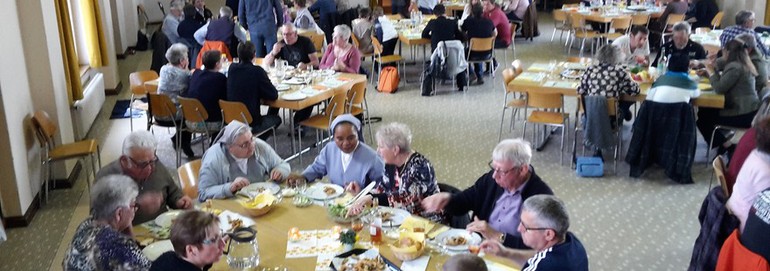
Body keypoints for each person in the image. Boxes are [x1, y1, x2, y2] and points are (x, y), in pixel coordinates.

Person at [421, 138, 554, 249]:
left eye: (502, 171)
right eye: (493, 167)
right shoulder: (492, 180)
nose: (495, 176)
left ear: (522, 170)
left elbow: (541, 247)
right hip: (477, 247)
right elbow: (467, 200)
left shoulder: (542, 199)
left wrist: (498, 236)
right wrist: (448, 199)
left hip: (512, 259)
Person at [348, 123, 443, 222]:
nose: (377, 151)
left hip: (426, 222)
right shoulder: (391, 163)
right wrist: (362, 195)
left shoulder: (420, 166)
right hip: (400, 218)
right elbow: (382, 189)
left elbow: (407, 200)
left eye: (381, 147)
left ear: (395, 150)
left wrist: (371, 198)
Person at [95, 131, 193, 225]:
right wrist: (136, 205)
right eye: (143, 164)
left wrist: (179, 201)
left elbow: (172, 191)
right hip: (126, 235)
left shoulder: (155, 165)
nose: (150, 168)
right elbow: (98, 220)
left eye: (152, 161)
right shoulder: (106, 178)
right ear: (125, 161)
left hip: (162, 228)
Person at [63, 175, 151, 271]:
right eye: (134, 205)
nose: (136, 209)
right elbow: (149, 268)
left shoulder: (85, 225)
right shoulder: (119, 246)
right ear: (119, 213)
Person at [479, 195, 589, 271]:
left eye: (526, 226)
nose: (519, 229)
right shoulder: (572, 242)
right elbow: (539, 257)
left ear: (548, 234)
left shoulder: (545, 266)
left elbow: (540, 263)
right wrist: (506, 253)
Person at [287, 114, 385, 193]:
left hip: (361, 205)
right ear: (333, 138)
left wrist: (362, 193)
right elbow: (317, 168)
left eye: (351, 138)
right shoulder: (330, 149)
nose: (346, 143)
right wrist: (303, 177)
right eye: (340, 139)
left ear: (358, 135)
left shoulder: (372, 158)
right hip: (334, 201)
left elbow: (384, 189)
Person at [697, 39, 760, 156]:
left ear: (728, 52)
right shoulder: (743, 62)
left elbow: (720, 88)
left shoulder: (735, 67)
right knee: (704, 111)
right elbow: (723, 74)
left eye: (724, 51)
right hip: (750, 110)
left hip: (742, 113)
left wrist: (711, 72)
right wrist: (710, 70)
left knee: (703, 120)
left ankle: (728, 146)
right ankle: (722, 143)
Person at [198, 121, 290, 201]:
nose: (252, 146)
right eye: (244, 145)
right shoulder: (213, 159)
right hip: (231, 208)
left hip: (263, 200)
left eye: (251, 139)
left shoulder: (258, 146)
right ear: (230, 147)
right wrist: (229, 188)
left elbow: (282, 164)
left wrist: (280, 171)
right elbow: (203, 193)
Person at [227, 41, 282, 138]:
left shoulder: (232, 69)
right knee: (277, 119)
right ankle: (254, 141)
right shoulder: (257, 71)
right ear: (254, 54)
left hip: (232, 119)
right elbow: (273, 95)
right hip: (251, 122)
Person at [726, 117, 770, 233]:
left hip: (736, 211)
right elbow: (765, 213)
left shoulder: (757, 154)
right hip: (745, 225)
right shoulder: (766, 173)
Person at [577, 44, 640, 121]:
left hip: (590, 115)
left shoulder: (590, 70)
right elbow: (635, 91)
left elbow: (581, 90)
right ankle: (625, 112)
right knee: (628, 100)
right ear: (616, 58)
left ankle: (625, 112)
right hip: (611, 119)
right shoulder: (619, 72)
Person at [150, 210, 225, 271]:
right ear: (191, 250)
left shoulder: (167, 257)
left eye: (220, 236)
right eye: (214, 240)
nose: (223, 244)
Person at [158, 43, 195, 157]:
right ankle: (184, 142)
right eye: (187, 58)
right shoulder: (184, 76)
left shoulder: (163, 69)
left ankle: (177, 138)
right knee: (191, 109)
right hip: (173, 115)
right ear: (182, 61)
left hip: (157, 111)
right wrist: (188, 70)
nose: (188, 59)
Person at [184, 50, 228, 135]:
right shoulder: (220, 78)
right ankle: (215, 142)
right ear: (217, 64)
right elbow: (225, 100)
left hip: (189, 119)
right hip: (209, 122)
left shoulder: (196, 73)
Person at [462, 3, 496, 84]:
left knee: (462, 53)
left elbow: (462, 30)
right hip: (488, 53)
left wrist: (467, 36)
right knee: (477, 49)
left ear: (472, 12)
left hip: (473, 52)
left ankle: (471, 73)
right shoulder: (489, 22)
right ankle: (479, 75)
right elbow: (495, 33)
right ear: (483, 12)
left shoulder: (468, 21)